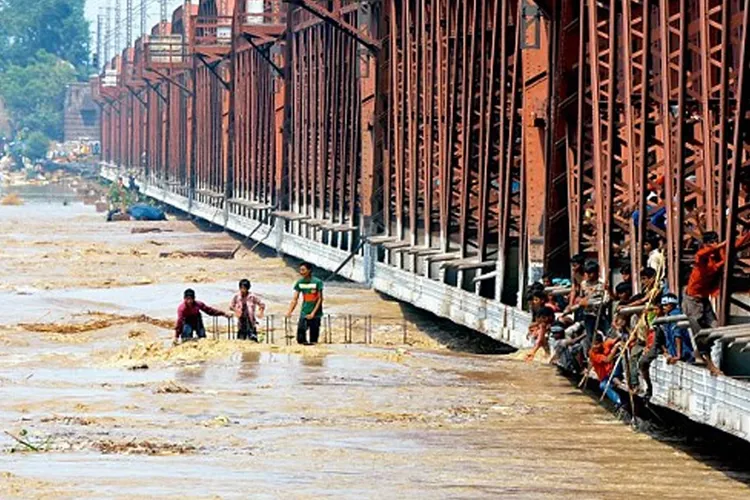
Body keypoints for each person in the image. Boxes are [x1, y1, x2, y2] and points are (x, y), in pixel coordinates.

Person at [286, 262, 324, 345]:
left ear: (309, 270)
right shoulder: (300, 283)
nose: (301, 272)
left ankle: (313, 353)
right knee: (300, 338)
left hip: (316, 314)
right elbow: (295, 299)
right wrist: (289, 311)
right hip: (304, 312)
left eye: (303, 270)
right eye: (300, 270)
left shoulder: (317, 282)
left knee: (313, 339)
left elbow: (320, 299)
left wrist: (313, 313)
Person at [589, 334, 623, 409]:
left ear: (601, 343)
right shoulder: (592, 353)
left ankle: (619, 401)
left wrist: (620, 337)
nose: (595, 346)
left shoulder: (606, 343)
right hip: (605, 376)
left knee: (605, 384)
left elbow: (614, 340)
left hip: (614, 370)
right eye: (593, 344)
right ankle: (618, 401)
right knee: (603, 385)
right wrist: (615, 347)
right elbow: (607, 360)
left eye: (597, 344)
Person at [660, 294, 694, 364]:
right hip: (675, 354)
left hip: (683, 355)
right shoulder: (668, 316)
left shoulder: (675, 316)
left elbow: (678, 336)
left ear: (672, 305)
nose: (663, 307)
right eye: (663, 305)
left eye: (666, 305)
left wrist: (678, 355)